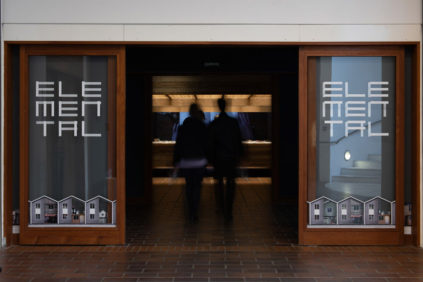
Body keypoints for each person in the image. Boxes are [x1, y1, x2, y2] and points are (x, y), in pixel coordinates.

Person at [209, 98, 243, 222]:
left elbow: (210, 143)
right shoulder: (233, 123)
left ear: (218, 106)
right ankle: (229, 210)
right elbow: (238, 141)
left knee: (218, 184)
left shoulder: (214, 124)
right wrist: (240, 155)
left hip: (218, 159)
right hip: (230, 158)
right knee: (230, 184)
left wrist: (210, 158)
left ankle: (221, 207)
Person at [173, 103, 208, 223]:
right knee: (197, 187)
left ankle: (189, 210)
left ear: (189, 112)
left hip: (186, 162)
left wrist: (176, 161)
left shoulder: (183, 127)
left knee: (189, 186)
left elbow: (178, 146)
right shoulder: (202, 127)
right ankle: (195, 212)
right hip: (199, 161)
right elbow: (206, 145)